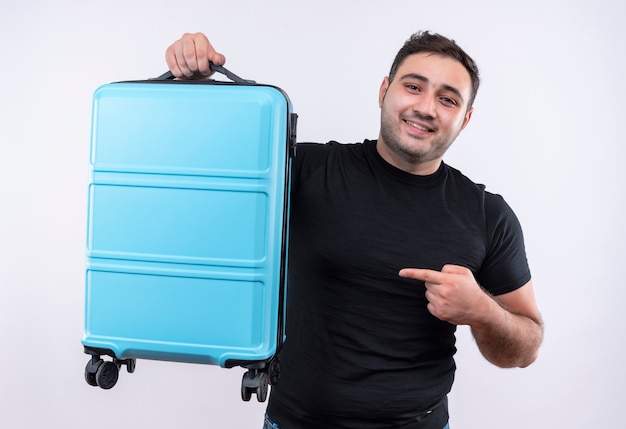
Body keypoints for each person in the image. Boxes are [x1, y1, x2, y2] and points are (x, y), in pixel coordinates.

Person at [165, 31, 543, 429]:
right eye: (413, 86)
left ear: (464, 119)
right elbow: (197, 178)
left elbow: (526, 346)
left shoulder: (488, 215)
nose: (426, 107)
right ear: (384, 91)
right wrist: (197, 87)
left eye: (447, 99)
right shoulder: (303, 170)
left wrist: (482, 312)